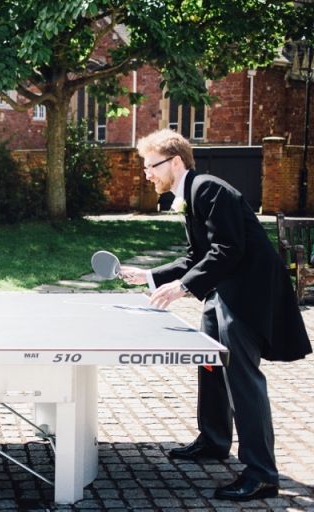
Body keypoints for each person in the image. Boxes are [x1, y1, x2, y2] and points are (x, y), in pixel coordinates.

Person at [120, 129, 311, 501]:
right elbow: (197, 257)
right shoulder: (189, 196)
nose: (147, 175)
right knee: (209, 364)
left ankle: (261, 475)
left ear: (176, 162)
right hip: (221, 293)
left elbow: (228, 249)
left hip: (246, 296)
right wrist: (148, 276)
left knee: (242, 379)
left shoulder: (208, 188)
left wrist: (183, 288)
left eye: (151, 167)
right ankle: (214, 440)